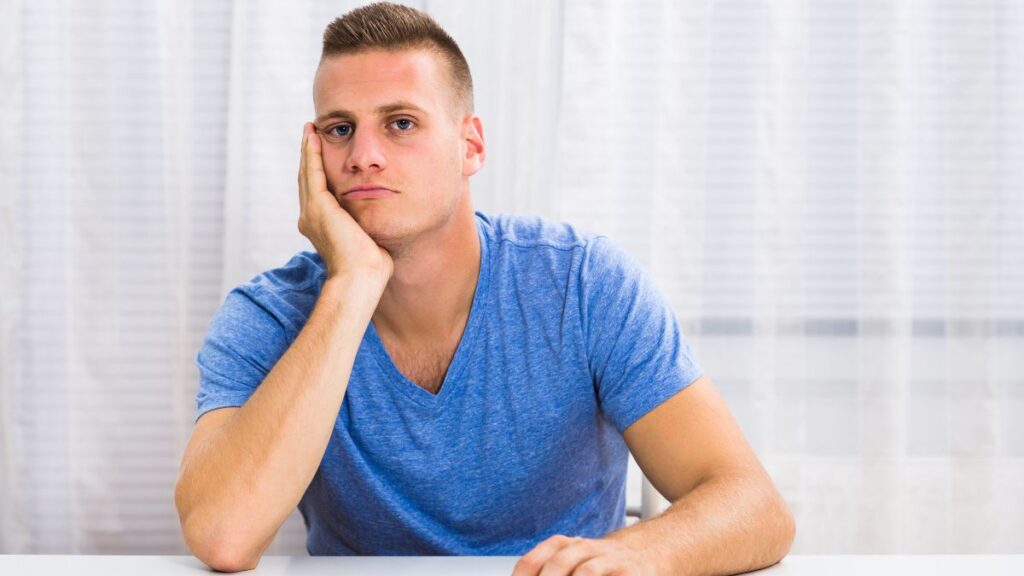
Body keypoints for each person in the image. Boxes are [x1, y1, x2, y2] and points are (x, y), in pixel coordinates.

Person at [174, 3, 795, 574]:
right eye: (339, 130)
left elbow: (755, 507)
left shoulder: (583, 284)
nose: (363, 155)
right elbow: (224, 535)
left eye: (400, 123)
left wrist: (633, 555)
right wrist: (352, 283)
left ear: (470, 146)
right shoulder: (267, 314)